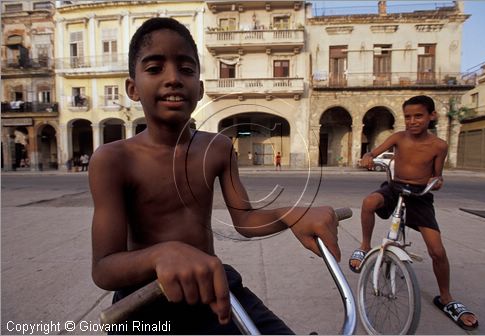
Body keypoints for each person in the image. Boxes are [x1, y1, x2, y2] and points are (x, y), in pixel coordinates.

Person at [89, 17, 341, 335]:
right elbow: (104, 267)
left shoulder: (219, 147)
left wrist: (291, 213)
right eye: (154, 69)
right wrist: (162, 254)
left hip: (214, 287)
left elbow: (245, 219)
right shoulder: (112, 160)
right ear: (132, 88)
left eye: (186, 69)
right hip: (143, 300)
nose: (173, 79)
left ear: (200, 88)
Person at [349, 95, 478, 331]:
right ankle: (365, 245)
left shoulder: (439, 145)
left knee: (437, 251)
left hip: (420, 196)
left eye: (418, 116)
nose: (412, 121)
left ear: (432, 116)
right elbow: (374, 153)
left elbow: (437, 175)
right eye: (408, 117)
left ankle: (446, 298)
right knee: (368, 202)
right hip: (394, 188)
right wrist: (368, 157)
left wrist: (437, 181)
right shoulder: (399, 137)